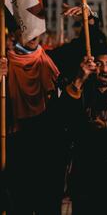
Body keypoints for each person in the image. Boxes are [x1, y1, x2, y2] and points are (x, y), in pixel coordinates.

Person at [60, 47, 107, 215]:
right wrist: (79, 80)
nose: (104, 69)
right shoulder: (82, 93)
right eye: (99, 64)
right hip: (85, 173)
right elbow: (64, 119)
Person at [5, 29, 63, 214]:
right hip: (17, 143)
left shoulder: (48, 59)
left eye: (35, 31)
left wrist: (91, 19)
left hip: (47, 144)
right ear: (16, 35)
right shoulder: (5, 62)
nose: (32, 35)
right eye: (26, 31)